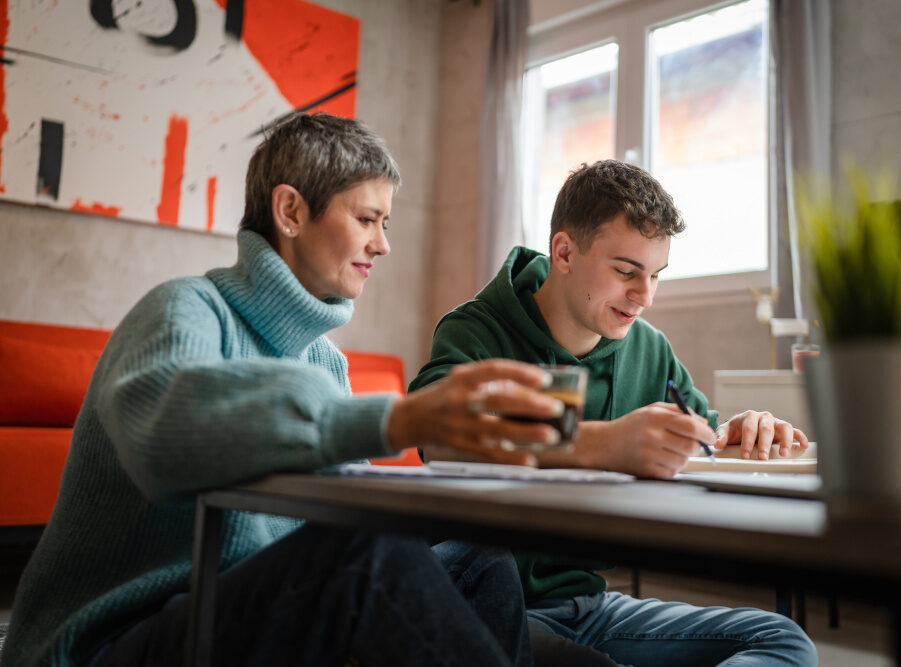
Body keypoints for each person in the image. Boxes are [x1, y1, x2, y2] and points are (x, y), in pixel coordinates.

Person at [1, 114, 570, 667]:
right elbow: (166, 438)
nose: (382, 245)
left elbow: (345, 508)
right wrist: (400, 419)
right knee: (368, 555)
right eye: (368, 219)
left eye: (385, 224)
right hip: (110, 640)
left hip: (245, 613)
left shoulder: (325, 360)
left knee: (481, 558)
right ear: (291, 211)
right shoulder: (182, 310)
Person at [409, 160, 818, 665]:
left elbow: (700, 432)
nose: (644, 296)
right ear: (564, 252)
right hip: (489, 604)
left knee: (782, 640)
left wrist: (736, 433)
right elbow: (436, 435)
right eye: (626, 272)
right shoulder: (476, 329)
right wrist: (602, 444)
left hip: (592, 607)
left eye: (655, 276)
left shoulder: (649, 348)